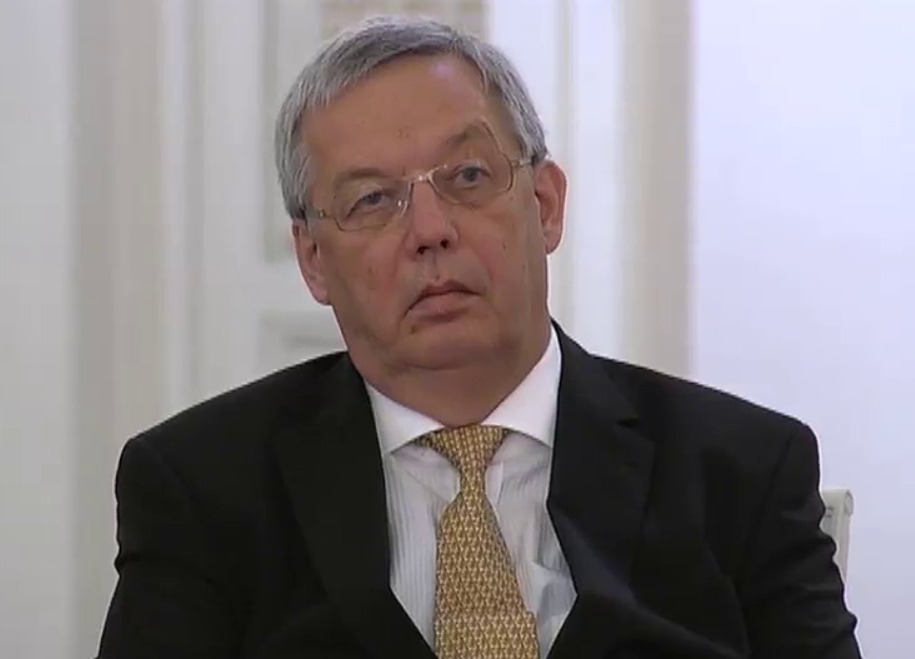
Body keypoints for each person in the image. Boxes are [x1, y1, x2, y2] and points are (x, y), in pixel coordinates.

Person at [96, 15, 861, 659]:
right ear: (313, 261)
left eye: (466, 177)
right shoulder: (203, 490)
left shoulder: (741, 471)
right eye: (371, 199)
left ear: (546, 204)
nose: (429, 230)